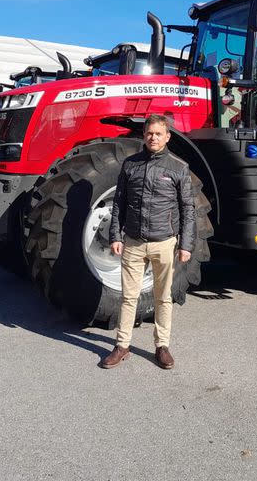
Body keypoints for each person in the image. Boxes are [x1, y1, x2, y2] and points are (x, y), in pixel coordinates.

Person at [102, 114, 195, 370]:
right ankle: (122, 345)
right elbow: (118, 202)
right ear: (144, 136)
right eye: (149, 133)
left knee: (163, 297)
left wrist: (186, 244)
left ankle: (161, 346)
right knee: (128, 297)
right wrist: (115, 235)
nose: (153, 138)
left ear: (167, 137)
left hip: (164, 243)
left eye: (158, 134)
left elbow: (188, 208)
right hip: (132, 241)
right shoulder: (130, 165)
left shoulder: (178, 168)